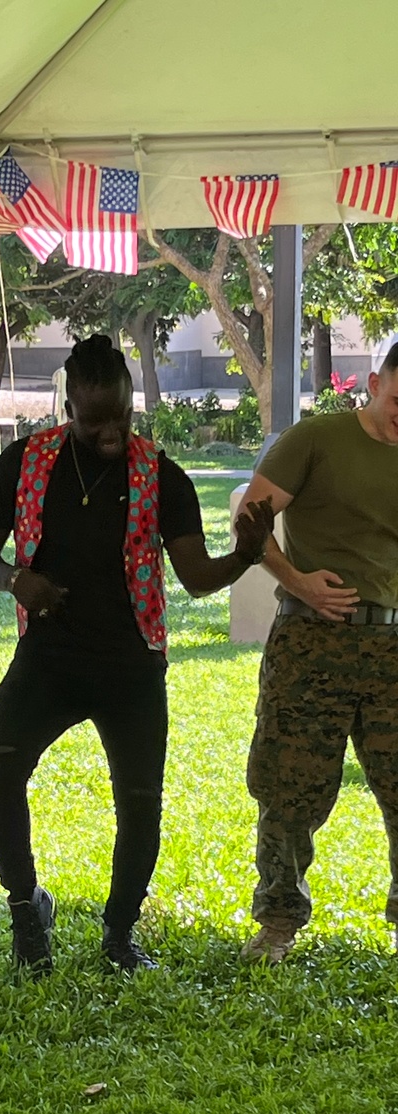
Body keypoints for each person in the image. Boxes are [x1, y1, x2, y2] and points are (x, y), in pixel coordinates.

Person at [0, 335, 273, 974]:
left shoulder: (160, 476)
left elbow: (194, 577)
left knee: (139, 801)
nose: (110, 432)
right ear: (68, 408)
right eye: (93, 419)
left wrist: (245, 556)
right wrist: (15, 580)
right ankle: (27, 912)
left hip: (130, 665)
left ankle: (120, 932)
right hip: (47, 657)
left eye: (121, 417)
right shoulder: (23, 463)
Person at [237, 346, 398, 964]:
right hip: (312, 641)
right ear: (375, 384)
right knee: (290, 789)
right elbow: (251, 520)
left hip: (392, 644)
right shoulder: (316, 439)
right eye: (396, 401)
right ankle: (277, 923)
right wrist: (297, 579)